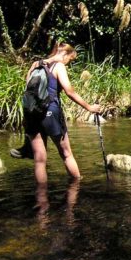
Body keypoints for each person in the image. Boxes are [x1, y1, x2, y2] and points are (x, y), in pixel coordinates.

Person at [20, 42, 101, 183]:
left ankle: (42, 200)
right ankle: (77, 188)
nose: (68, 63)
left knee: (39, 160)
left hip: (33, 114)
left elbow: (28, 91)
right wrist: (89, 107)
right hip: (50, 113)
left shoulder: (35, 65)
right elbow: (69, 91)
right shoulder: (59, 67)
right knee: (66, 154)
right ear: (64, 54)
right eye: (69, 59)